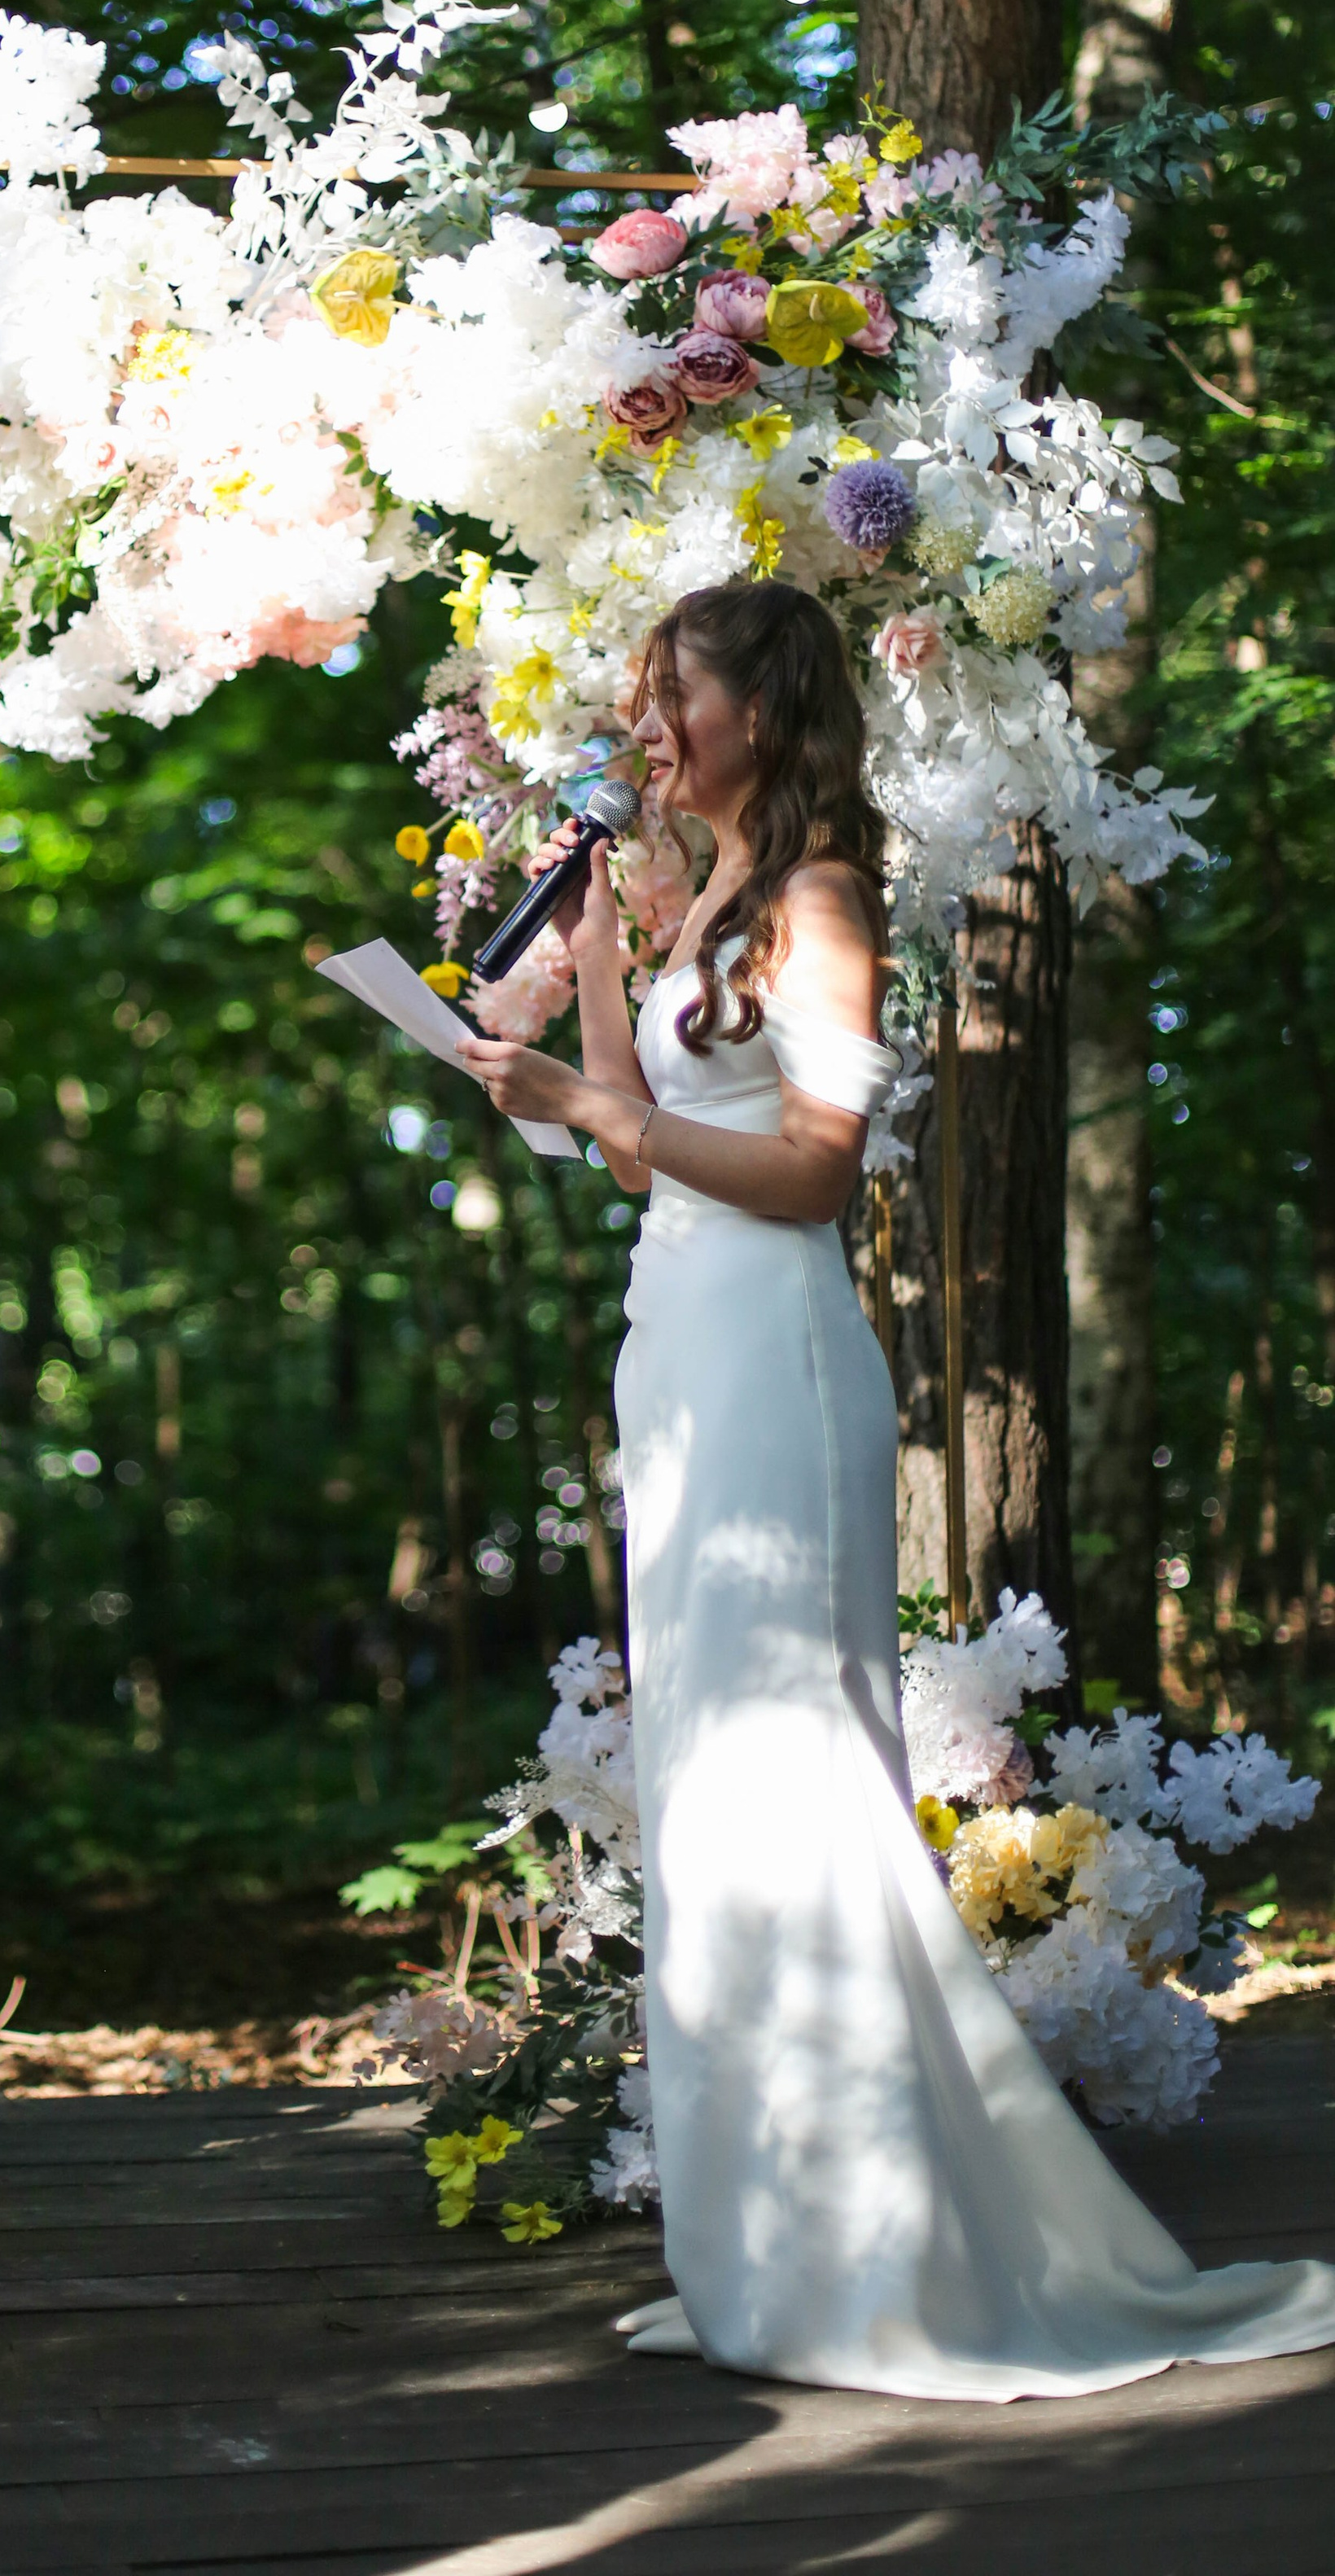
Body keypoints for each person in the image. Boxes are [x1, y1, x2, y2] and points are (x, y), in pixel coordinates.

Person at [458, 578, 1335, 2400]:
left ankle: (881, 2241)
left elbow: (812, 1170)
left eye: (668, 696)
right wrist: (585, 992)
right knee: (706, 1788)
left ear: (761, 715)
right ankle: (755, 2243)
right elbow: (636, 1150)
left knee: (794, 1777)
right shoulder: (698, 896)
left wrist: (604, 1109)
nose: (643, 724)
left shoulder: (820, 901)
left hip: (774, 1363)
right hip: (675, 1350)